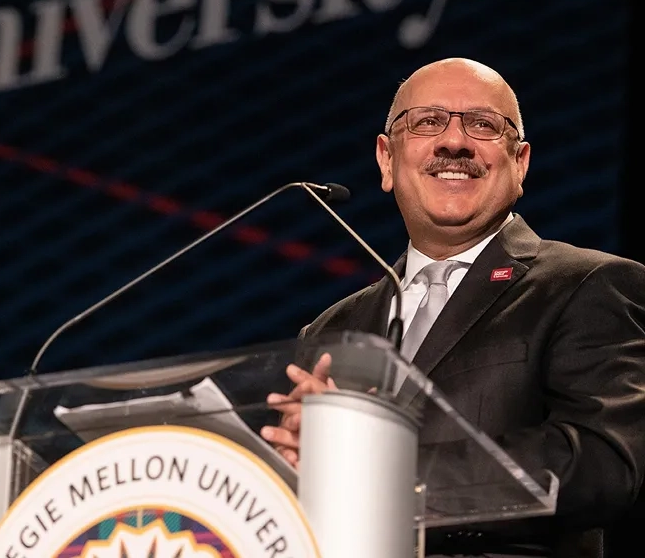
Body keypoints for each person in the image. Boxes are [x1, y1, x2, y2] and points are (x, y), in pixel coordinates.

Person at [259, 58, 645, 557]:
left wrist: (382, 472)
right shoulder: (333, 329)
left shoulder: (589, 285)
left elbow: (602, 463)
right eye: (427, 122)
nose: (454, 142)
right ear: (386, 160)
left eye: (483, 124)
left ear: (520, 163)